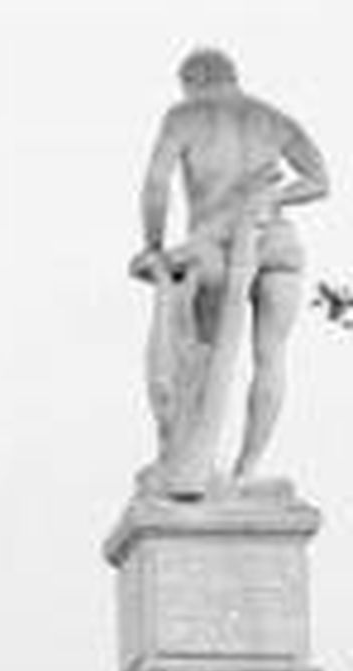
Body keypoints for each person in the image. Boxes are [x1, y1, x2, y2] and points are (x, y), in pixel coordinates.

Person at [132, 50, 329, 494]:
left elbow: (156, 185)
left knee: (198, 353)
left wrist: (154, 246)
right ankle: (247, 468)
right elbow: (319, 181)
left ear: (193, 80)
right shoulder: (271, 119)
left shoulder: (184, 115)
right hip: (275, 241)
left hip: (213, 245)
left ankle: (193, 461)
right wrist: (273, 200)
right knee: (271, 356)